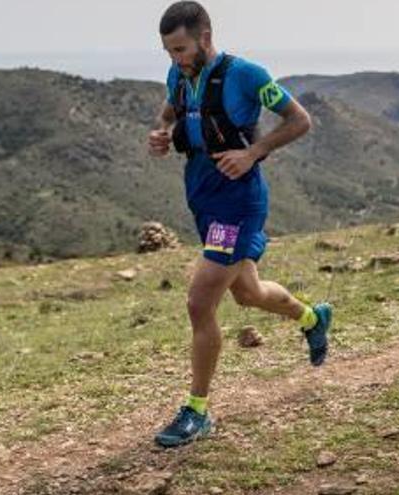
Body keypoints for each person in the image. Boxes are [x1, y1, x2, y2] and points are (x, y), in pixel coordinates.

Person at [147, 1, 333, 448]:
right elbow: (169, 113)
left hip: (238, 202)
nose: (175, 58)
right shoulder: (179, 76)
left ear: (205, 38)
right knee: (247, 294)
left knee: (199, 302)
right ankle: (311, 317)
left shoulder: (246, 74)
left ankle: (197, 410)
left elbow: (299, 120)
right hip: (203, 199)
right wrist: (159, 134)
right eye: (169, 51)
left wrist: (253, 152)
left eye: (181, 48)